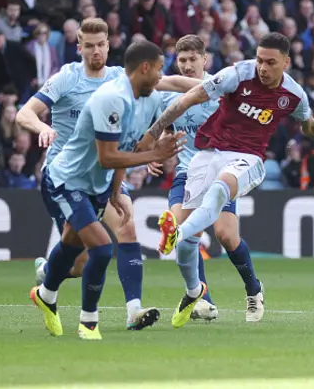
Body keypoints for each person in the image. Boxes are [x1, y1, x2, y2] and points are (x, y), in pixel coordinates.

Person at [138, 32, 314, 327]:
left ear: (285, 63)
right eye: (259, 60)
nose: (262, 67)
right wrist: (152, 136)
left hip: (246, 159)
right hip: (206, 157)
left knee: (219, 209)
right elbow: (185, 95)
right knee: (194, 240)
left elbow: (308, 123)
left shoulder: (293, 94)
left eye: (270, 62)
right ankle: (196, 292)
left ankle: (250, 287)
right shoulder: (236, 75)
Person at [16, 18, 197, 330]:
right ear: (79, 47)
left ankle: (134, 311)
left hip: (106, 172)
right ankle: (48, 277)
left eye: (100, 44)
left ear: (109, 45)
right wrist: (43, 126)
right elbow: (24, 113)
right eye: (89, 46)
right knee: (81, 259)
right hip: (68, 175)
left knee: (127, 230)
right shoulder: (67, 78)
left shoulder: (119, 78)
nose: (95, 51)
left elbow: (172, 83)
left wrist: (220, 87)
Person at [149, 35, 220, 321]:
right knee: (181, 231)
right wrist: (155, 153)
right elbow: (166, 129)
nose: (188, 65)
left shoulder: (220, 87)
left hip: (220, 174)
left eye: (193, 60)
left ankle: (253, 289)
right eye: (182, 60)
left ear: (205, 60)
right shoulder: (167, 96)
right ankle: (202, 298)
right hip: (186, 173)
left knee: (227, 237)